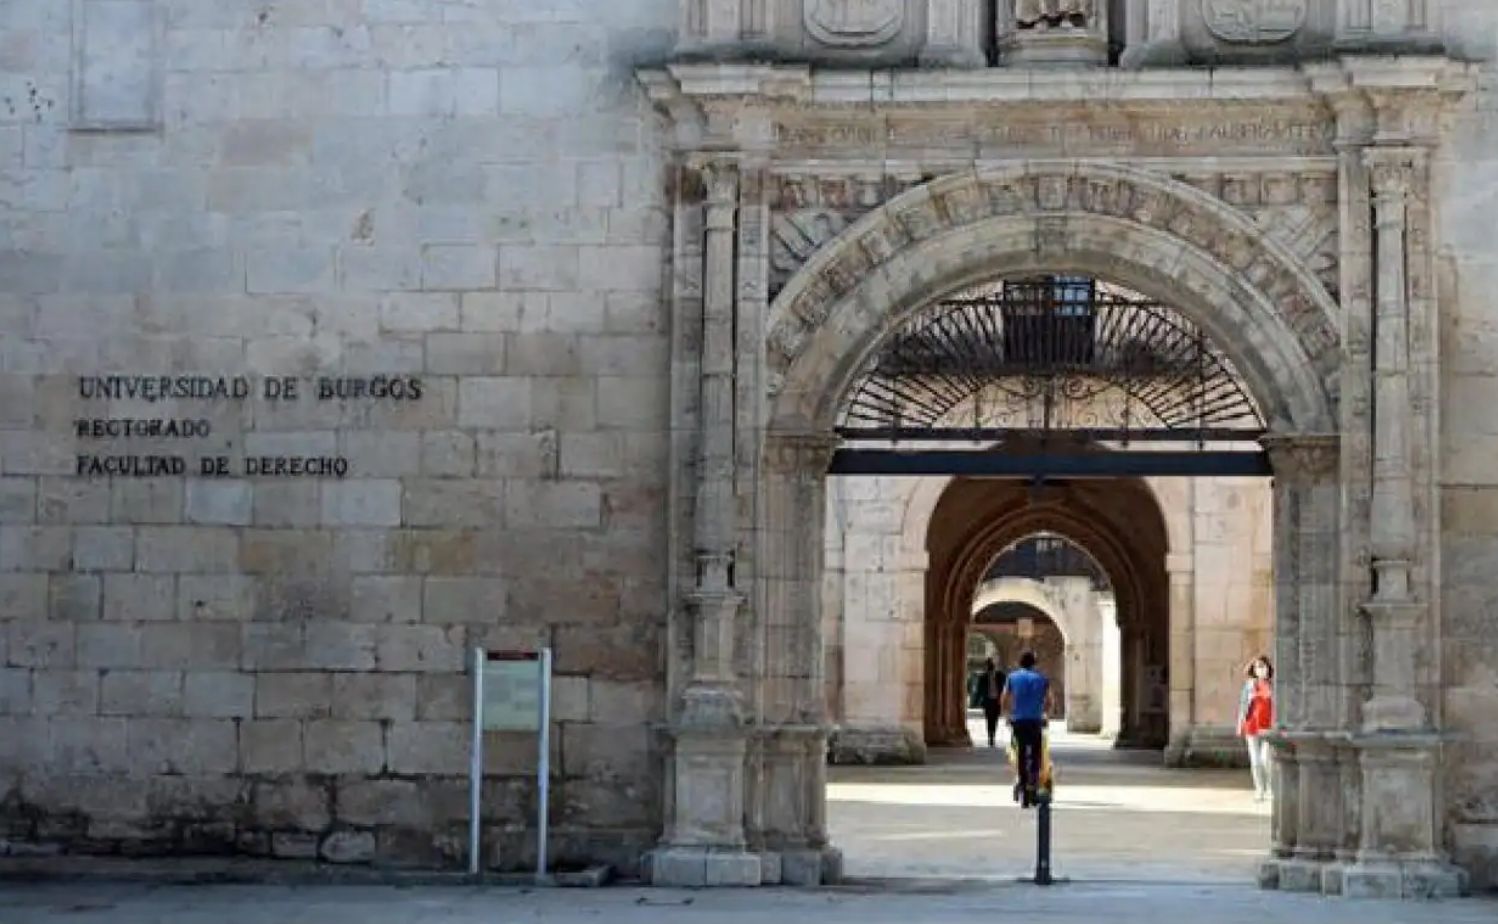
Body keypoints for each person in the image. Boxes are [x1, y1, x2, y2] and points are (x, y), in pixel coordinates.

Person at [1002, 650, 1052, 809]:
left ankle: (1022, 785)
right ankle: (1033, 784)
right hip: (1035, 721)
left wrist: (1007, 715)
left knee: (1021, 753)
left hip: (1019, 721)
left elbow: (1004, 698)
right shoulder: (1042, 679)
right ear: (1034, 663)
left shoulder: (1012, 678)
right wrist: (1045, 715)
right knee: (1036, 755)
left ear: (1019, 663)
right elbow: (1049, 700)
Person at [1237, 655, 1275, 802]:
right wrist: (1240, 724)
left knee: (1266, 759)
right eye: (1258, 667)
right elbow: (1243, 705)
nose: (1261, 670)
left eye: (1263, 666)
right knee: (1255, 761)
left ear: (1268, 669)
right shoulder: (1249, 686)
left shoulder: (1273, 686)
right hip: (1251, 725)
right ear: (1254, 669)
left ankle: (1270, 788)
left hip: (1268, 726)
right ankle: (1259, 789)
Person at [974, 657, 1007, 748]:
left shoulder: (1000, 675)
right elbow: (979, 690)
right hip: (988, 701)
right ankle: (990, 736)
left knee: (995, 719)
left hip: (997, 701)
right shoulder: (983, 677)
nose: (990, 667)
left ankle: (993, 734)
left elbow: (1005, 687)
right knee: (989, 719)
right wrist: (976, 701)